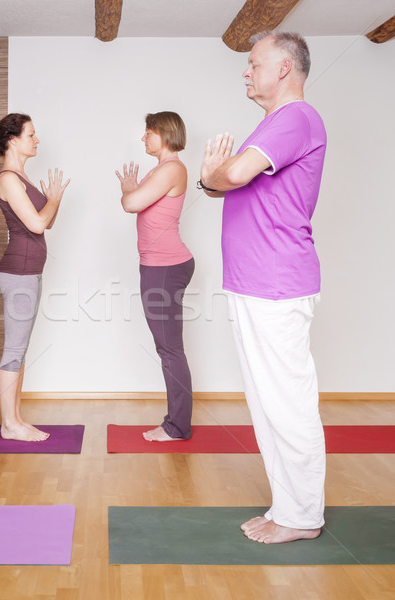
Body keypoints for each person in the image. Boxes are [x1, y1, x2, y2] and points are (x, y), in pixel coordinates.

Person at [199, 32, 327, 543]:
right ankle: (287, 506)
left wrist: (218, 174)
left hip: (277, 284)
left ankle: (302, 517)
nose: (246, 72)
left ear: (284, 69)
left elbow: (234, 173)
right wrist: (216, 178)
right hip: (255, 284)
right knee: (266, 404)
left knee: (287, 404)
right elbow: (220, 182)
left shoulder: (297, 118)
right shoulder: (273, 123)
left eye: (254, 64)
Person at [0, 113, 70, 442]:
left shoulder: (22, 177)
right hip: (18, 273)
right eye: (31, 135)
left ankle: (16, 418)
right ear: (13, 140)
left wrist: (52, 201)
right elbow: (36, 225)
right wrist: (55, 201)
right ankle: (9, 424)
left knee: (20, 350)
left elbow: (45, 222)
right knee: (14, 350)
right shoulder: (8, 179)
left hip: (29, 271)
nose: (37, 140)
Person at [116, 111, 195, 442]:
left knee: (169, 349)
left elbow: (131, 204)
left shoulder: (173, 168)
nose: (144, 138)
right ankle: (175, 422)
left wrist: (128, 191)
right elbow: (137, 202)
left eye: (148, 133)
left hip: (165, 268)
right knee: (168, 348)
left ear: (165, 133)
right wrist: (132, 191)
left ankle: (176, 427)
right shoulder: (161, 170)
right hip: (158, 266)